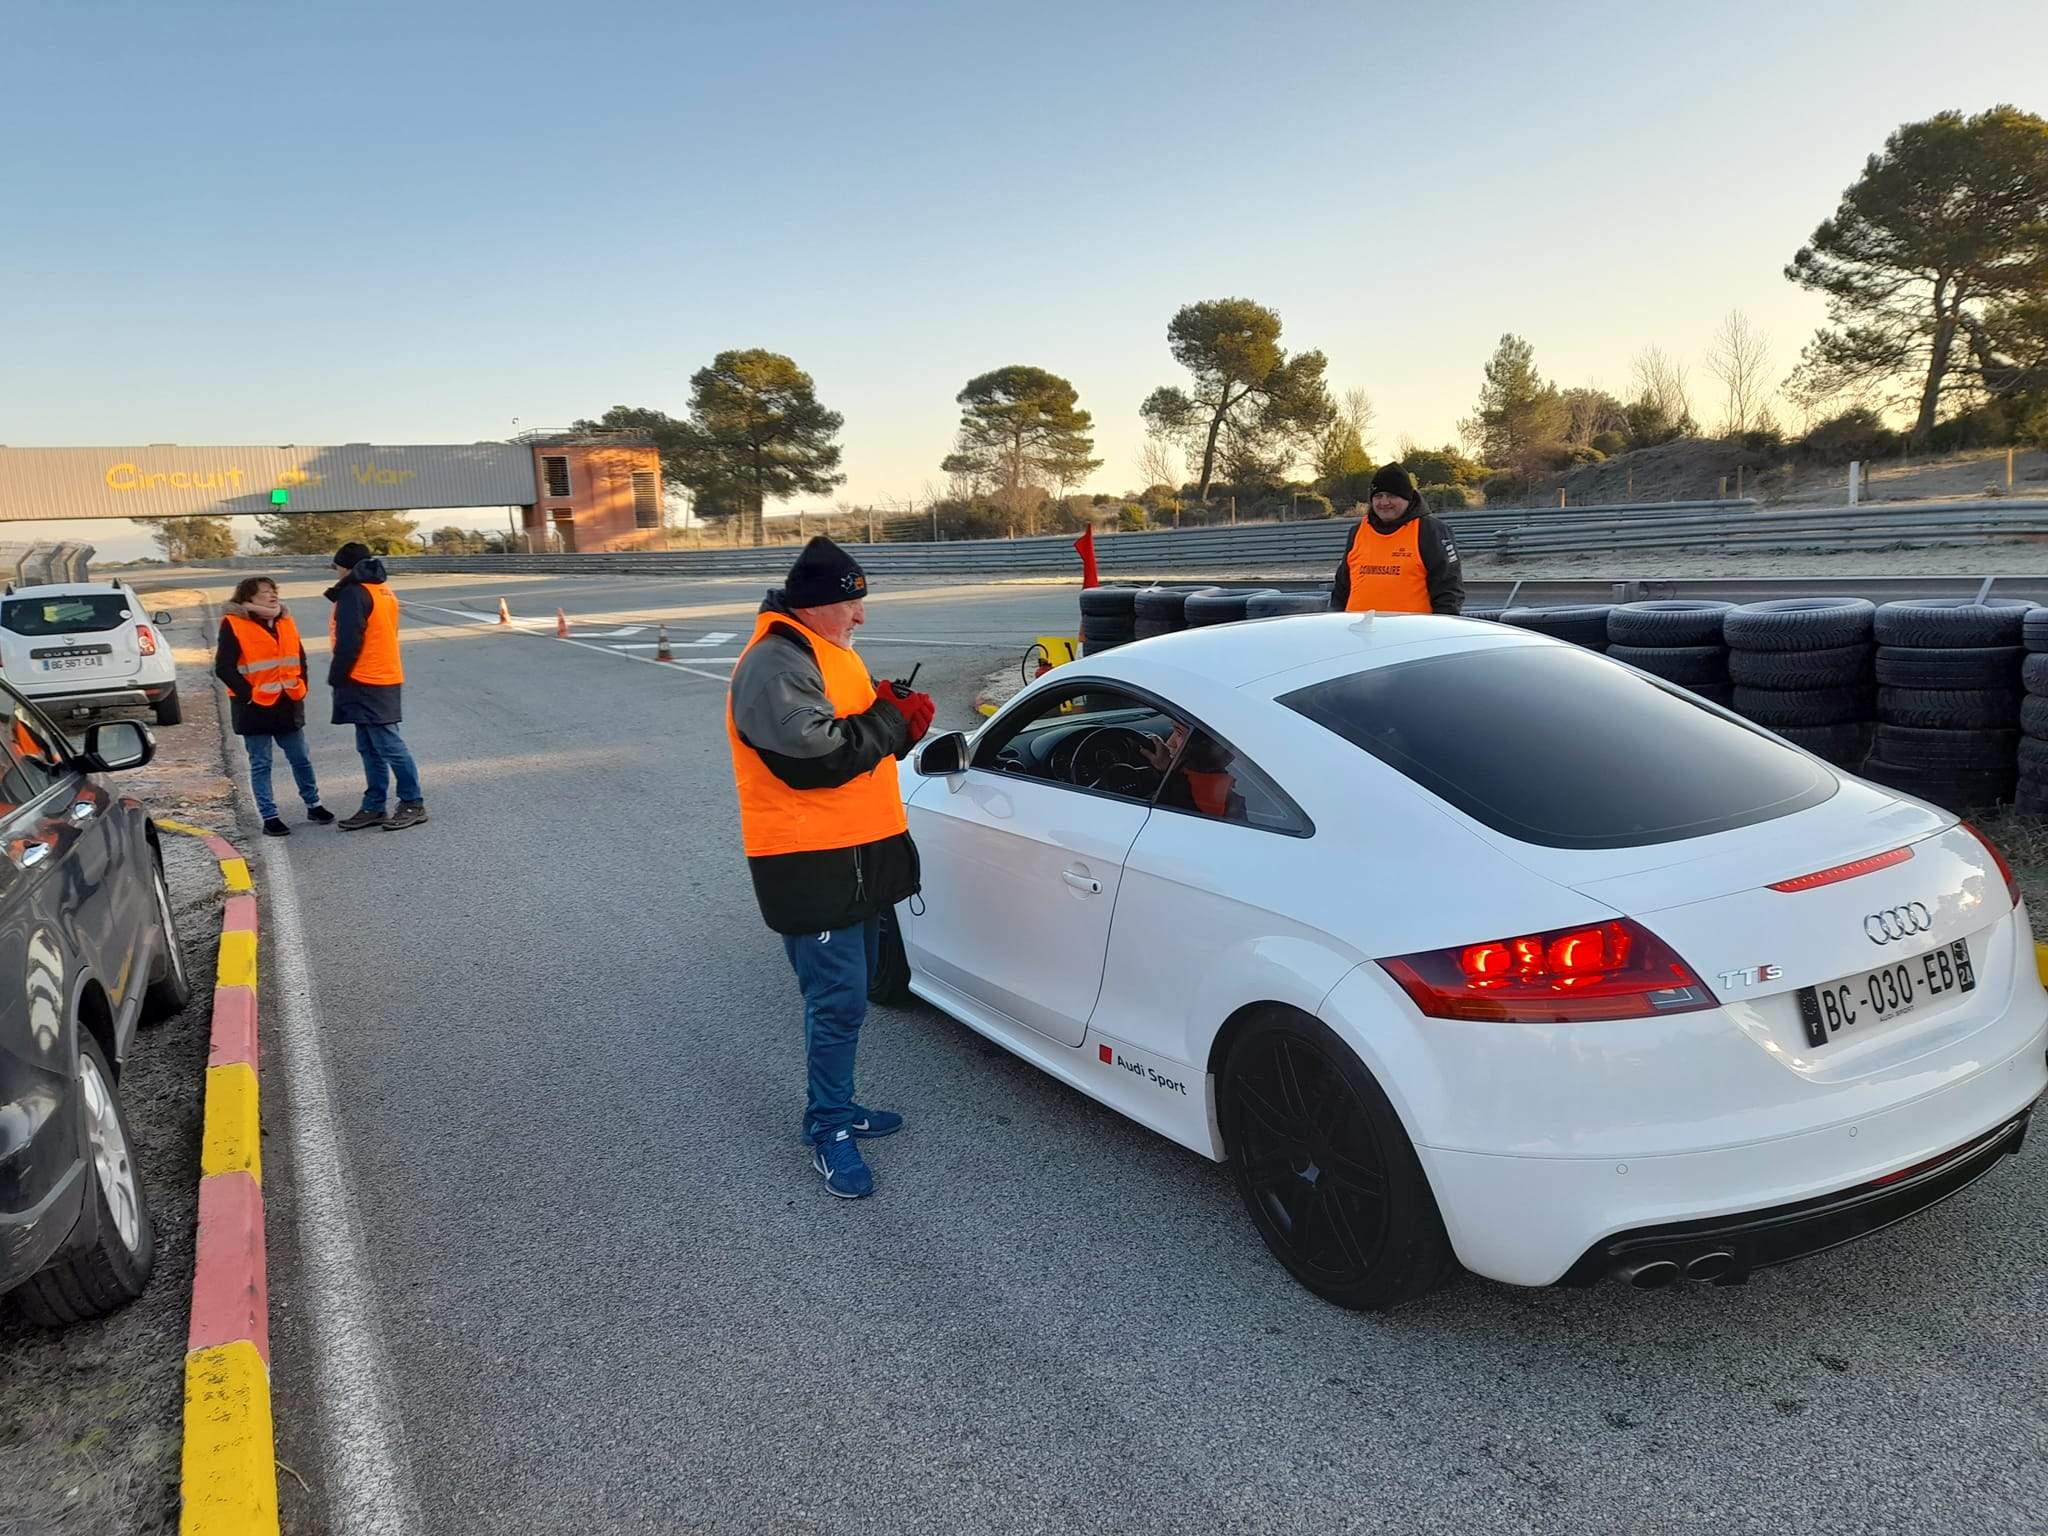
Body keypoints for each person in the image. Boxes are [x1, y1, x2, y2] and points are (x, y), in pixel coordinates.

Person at [726, 536, 936, 1200]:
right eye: (854, 605)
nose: (862, 618)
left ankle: (839, 1107)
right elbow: (814, 760)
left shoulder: (821, 649)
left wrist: (887, 716)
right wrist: (889, 722)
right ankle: (828, 1128)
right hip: (812, 862)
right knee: (838, 1001)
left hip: (855, 856)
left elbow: (849, 730)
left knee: (852, 994)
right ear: (818, 605)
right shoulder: (773, 663)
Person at [214, 576, 333, 837]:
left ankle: (314, 805)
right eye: (265, 592)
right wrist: (251, 695)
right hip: (253, 707)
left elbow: (299, 657)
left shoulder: (285, 619)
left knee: (300, 758)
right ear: (248, 597)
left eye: (273, 591)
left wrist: (302, 685)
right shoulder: (233, 623)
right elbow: (224, 667)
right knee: (261, 763)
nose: (272, 595)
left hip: (288, 702)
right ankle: (270, 816)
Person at [325, 542, 427, 831]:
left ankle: (412, 801)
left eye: (336, 566)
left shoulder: (354, 593)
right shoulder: (380, 589)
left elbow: (349, 640)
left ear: (345, 566)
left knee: (387, 744)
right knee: (369, 746)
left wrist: (337, 676)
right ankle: (374, 805)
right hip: (380, 673)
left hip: (366, 677)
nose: (335, 572)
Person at [1330, 464, 1465, 615]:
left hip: (1412, 634)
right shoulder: (1357, 531)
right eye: (1378, 496)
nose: (1384, 502)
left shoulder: (1431, 530)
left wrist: (1441, 630)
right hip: (1357, 631)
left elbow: (1449, 591)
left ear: (1408, 497)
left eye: (1392, 495)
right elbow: (1341, 589)